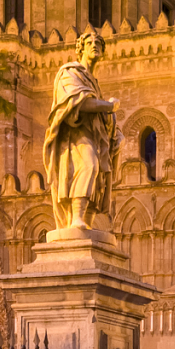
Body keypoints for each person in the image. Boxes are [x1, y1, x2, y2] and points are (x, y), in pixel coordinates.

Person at [43, 32, 117, 234]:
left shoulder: (93, 81)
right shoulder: (70, 73)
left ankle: (86, 219)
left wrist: (113, 128)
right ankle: (76, 218)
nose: (94, 45)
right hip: (74, 137)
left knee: (99, 175)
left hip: (94, 135)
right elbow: (76, 102)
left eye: (98, 43)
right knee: (88, 165)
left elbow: (98, 113)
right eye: (89, 42)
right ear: (80, 48)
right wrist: (107, 106)